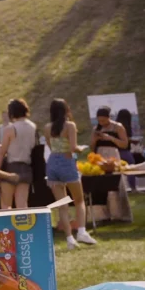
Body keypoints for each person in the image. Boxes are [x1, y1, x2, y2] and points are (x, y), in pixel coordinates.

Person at [43, 100, 98, 248]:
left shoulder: (47, 127)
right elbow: (73, 147)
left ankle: (69, 239)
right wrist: (82, 148)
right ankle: (81, 232)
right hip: (67, 163)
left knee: (62, 205)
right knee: (79, 200)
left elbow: (51, 146)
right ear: (66, 110)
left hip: (52, 163)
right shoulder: (70, 126)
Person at [0, 99, 38, 209]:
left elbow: (2, 152)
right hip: (26, 167)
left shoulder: (10, 128)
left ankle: (6, 226)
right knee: (22, 205)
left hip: (11, 167)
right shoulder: (33, 127)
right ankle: (23, 225)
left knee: (6, 204)